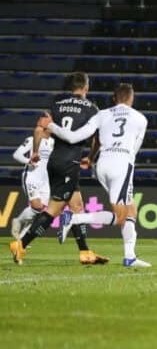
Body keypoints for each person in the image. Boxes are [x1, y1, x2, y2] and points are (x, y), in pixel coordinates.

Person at [41, 83, 151, 268]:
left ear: (114, 98)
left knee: (131, 210)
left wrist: (51, 125)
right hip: (122, 165)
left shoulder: (102, 115)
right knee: (121, 217)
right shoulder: (141, 118)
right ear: (131, 98)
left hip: (102, 164)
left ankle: (130, 257)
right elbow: (134, 150)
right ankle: (73, 219)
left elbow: (73, 137)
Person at [10, 72, 108, 265]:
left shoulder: (56, 105)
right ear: (86, 87)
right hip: (70, 162)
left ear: (70, 87)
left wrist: (35, 151)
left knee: (77, 206)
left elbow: (39, 129)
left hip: (55, 160)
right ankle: (21, 244)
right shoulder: (92, 108)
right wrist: (91, 157)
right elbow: (98, 138)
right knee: (54, 210)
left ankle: (85, 252)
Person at [10, 129, 54, 239]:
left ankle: (21, 240)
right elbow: (16, 155)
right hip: (31, 177)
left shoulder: (53, 142)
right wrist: (29, 161)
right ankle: (18, 221)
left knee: (38, 212)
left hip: (45, 181)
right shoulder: (31, 140)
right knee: (36, 206)